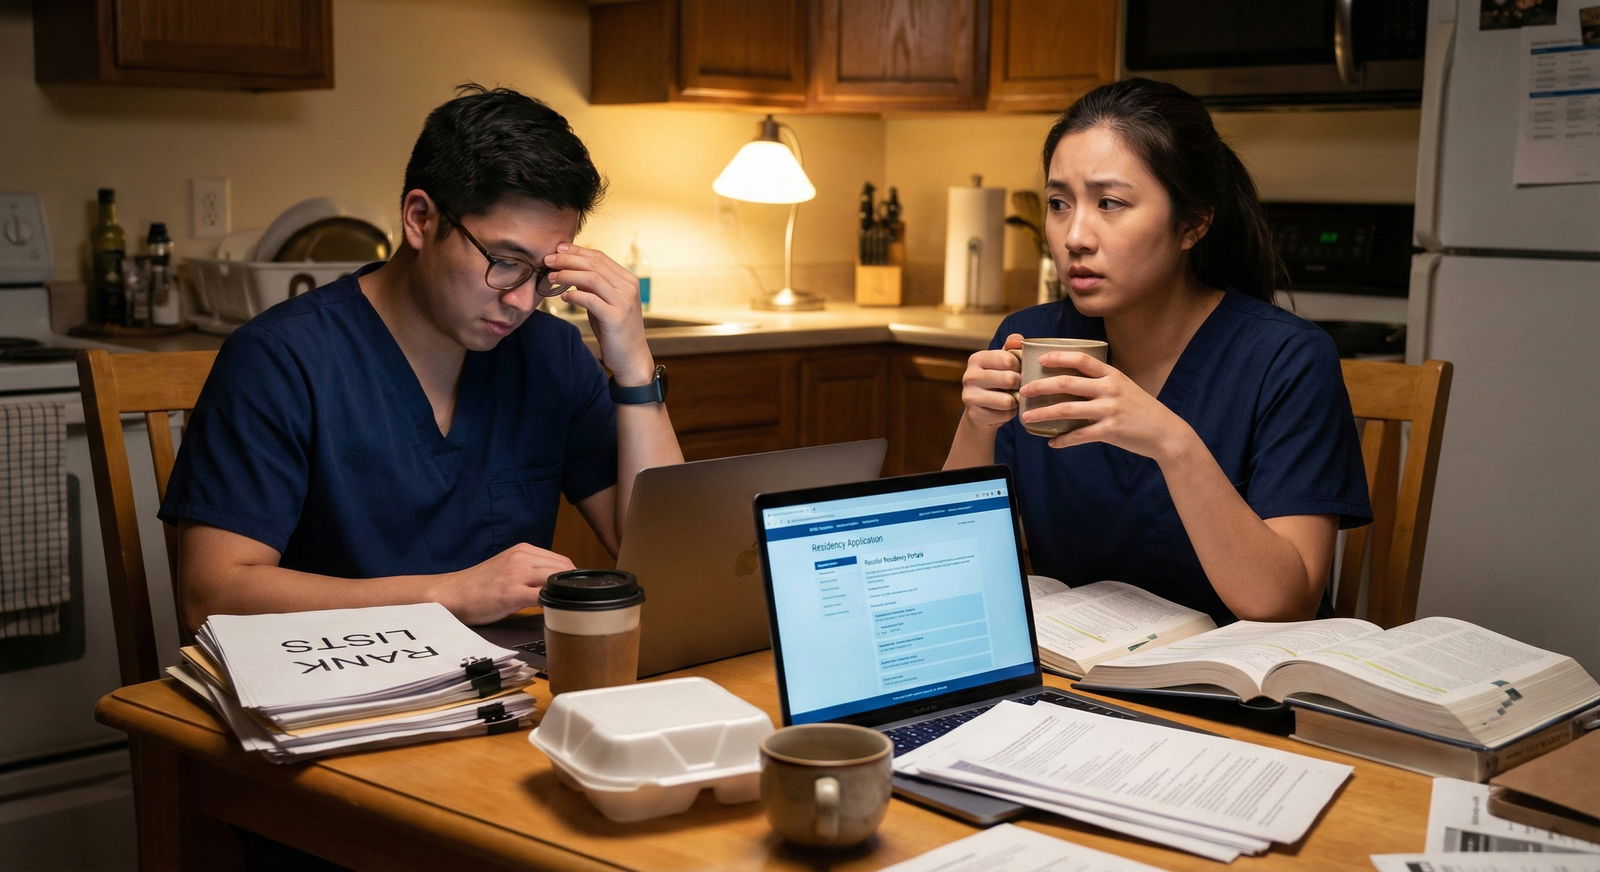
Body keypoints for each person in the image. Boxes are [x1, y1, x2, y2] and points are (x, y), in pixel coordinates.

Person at [160, 85, 683, 632]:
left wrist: (634, 369)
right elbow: (210, 597)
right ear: (419, 218)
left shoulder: (550, 355)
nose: (523, 301)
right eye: (505, 262)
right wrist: (445, 595)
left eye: (545, 273)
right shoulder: (281, 360)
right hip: (336, 690)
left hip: (505, 686)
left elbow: (666, 561)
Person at [945, 78, 1370, 625]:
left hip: (1231, 689)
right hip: (1077, 676)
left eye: (1111, 203)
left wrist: (1171, 442)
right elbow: (958, 568)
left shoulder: (1286, 359)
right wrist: (977, 426)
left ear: (1193, 223)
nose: (1075, 235)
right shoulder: (1028, 340)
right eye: (1058, 203)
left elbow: (1282, 604)